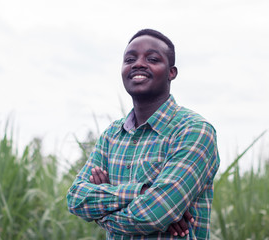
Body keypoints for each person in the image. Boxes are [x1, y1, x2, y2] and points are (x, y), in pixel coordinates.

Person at [66, 29, 220, 239]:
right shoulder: (112, 135)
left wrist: (101, 211)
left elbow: (153, 215)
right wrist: (142, 193)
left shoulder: (194, 131)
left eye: (152, 59)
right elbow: (75, 198)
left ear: (171, 72)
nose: (138, 63)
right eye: (130, 59)